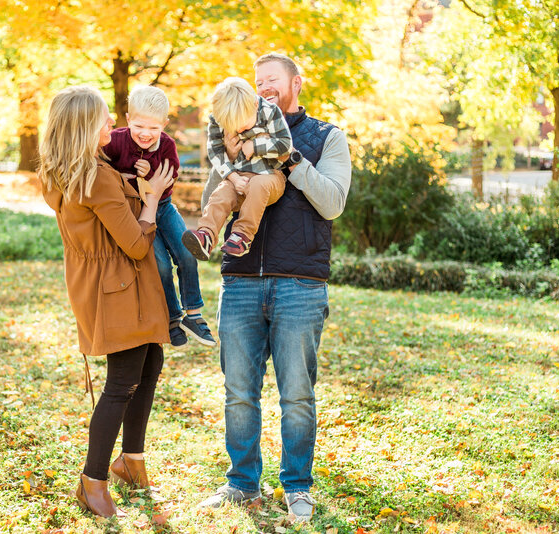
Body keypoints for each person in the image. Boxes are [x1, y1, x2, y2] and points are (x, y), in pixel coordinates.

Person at [198, 54, 352, 524]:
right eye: (258, 80)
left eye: (272, 80)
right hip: (240, 281)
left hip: (299, 283)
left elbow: (333, 204)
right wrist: (233, 170)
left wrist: (291, 161)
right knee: (239, 392)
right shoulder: (233, 130)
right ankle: (242, 484)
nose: (263, 87)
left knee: (297, 395)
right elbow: (212, 201)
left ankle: (298, 487)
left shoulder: (327, 138)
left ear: (295, 83)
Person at [40, 86, 174, 518]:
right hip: (117, 284)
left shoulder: (73, 170)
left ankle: (130, 460)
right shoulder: (95, 176)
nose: (111, 121)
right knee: (122, 381)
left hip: (109, 281)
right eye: (103, 117)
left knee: (150, 363)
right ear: (83, 126)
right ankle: (92, 479)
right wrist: (151, 199)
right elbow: (136, 245)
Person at [104, 85, 216, 348]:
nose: (146, 134)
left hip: (164, 206)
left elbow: (170, 175)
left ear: (164, 124)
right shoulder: (116, 140)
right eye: (139, 126)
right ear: (128, 119)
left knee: (186, 254)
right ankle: (173, 317)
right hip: (138, 213)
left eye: (154, 128)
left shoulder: (167, 145)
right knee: (161, 266)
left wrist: (150, 169)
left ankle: (194, 313)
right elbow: (101, 169)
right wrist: (120, 177)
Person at [182, 77, 291, 259]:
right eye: (233, 126)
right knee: (221, 193)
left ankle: (242, 236)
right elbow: (215, 152)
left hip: (270, 176)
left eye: (243, 124)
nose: (239, 130)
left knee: (259, 185)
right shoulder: (219, 117)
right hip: (238, 177)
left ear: (255, 104)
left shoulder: (269, 112)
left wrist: (255, 146)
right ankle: (206, 235)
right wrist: (233, 178)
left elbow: (285, 144)